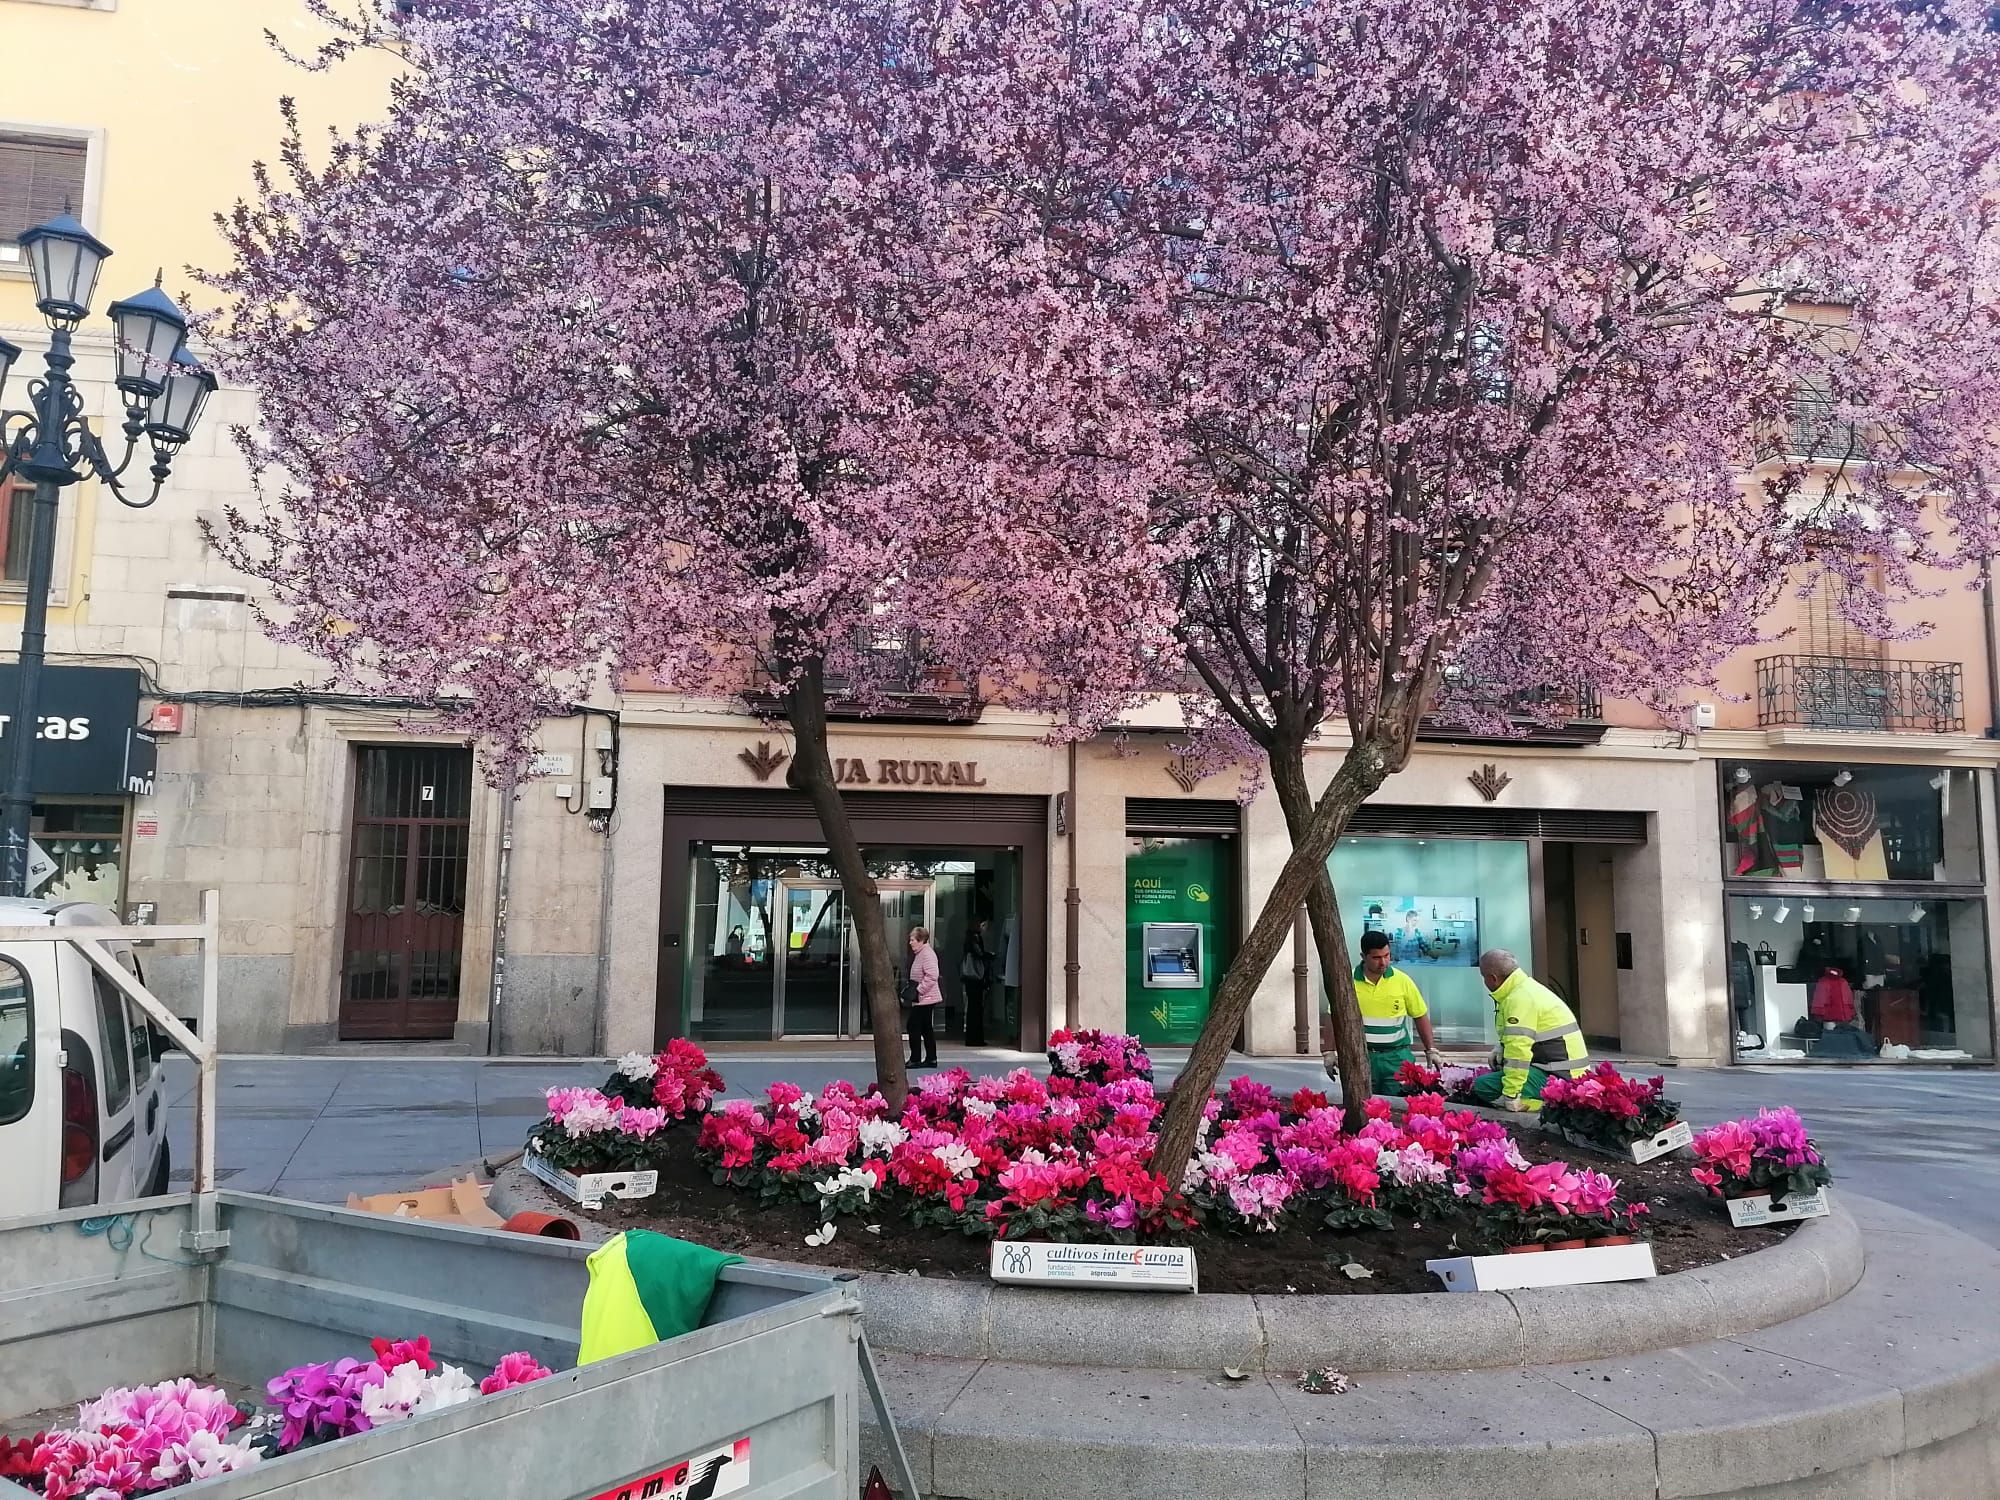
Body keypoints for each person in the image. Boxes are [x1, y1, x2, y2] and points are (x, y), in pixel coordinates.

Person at [1469, 949, 1591, 1112]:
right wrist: (1500, 1049)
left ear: (1493, 978)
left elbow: (1518, 1053)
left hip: (1561, 1078)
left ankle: (1547, 1106)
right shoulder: (1526, 990)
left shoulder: (1518, 1000)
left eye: (1484, 977)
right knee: (1501, 1072)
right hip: (1569, 1073)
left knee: (1483, 1085)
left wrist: (1511, 1096)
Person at [1352, 930, 1439, 1093]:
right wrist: (1329, 1052)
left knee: (1399, 1107)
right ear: (1363, 956)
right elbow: (1333, 1017)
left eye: (1387, 956)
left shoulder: (1402, 980)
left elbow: (1420, 1015)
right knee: (1364, 1108)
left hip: (1397, 1058)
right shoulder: (1348, 982)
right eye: (1377, 958)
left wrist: (1431, 1050)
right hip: (1362, 1057)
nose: (1384, 962)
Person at [905, 926, 942, 1069]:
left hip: (925, 998)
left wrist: (919, 990)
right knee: (926, 1028)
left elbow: (933, 975)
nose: (910, 942)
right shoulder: (922, 953)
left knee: (913, 1025)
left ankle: (916, 1058)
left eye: (913, 940)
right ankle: (931, 1058)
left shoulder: (926, 954)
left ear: (921, 940)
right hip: (924, 997)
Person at [959, 918, 994, 1047]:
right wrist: (990, 956)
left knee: (973, 1008)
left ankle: (972, 1038)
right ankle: (976, 1038)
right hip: (975, 978)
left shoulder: (968, 938)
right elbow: (979, 954)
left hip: (970, 980)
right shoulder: (975, 938)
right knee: (976, 1008)